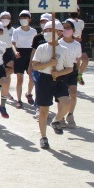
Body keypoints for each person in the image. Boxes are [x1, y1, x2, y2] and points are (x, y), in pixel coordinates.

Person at [32, 21, 72, 149]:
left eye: (52, 30)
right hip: (44, 79)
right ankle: (43, 137)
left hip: (59, 79)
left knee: (66, 103)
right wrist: (49, 63)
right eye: (46, 30)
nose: (49, 33)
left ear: (60, 33)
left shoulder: (64, 49)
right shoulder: (41, 48)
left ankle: (56, 121)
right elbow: (35, 65)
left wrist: (59, 73)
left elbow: (70, 68)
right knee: (44, 110)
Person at [27, 13, 52, 119]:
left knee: (48, 89)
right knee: (39, 86)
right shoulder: (37, 37)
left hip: (50, 67)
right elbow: (33, 51)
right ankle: (38, 107)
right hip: (38, 66)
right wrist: (30, 65)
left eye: (46, 21)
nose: (43, 23)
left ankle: (45, 108)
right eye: (42, 21)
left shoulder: (56, 37)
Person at [11, 10, 37, 109]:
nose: (24, 19)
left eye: (26, 17)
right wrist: (15, 52)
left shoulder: (33, 31)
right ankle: (19, 100)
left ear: (30, 19)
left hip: (30, 54)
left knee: (32, 77)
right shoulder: (16, 31)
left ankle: (29, 93)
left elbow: (35, 45)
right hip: (19, 54)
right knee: (19, 79)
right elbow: (13, 43)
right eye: (22, 17)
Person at [59, 19, 82, 127]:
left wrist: (79, 73)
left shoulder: (77, 44)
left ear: (73, 30)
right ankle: (61, 117)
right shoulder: (58, 43)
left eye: (69, 28)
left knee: (73, 93)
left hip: (72, 70)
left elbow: (78, 59)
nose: (66, 30)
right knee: (62, 95)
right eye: (64, 27)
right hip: (62, 70)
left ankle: (70, 115)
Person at [70, 6, 89, 85]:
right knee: (73, 62)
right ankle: (71, 78)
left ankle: (79, 75)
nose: (75, 12)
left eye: (76, 10)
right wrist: (74, 38)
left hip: (79, 44)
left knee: (85, 60)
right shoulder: (67, 21)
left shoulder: (81, 22)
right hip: (70, 43)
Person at [0, 11, 15, 100]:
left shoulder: (13, 30)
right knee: (14, 67)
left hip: (10, 51)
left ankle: (5, 92)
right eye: (3, 17)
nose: (5, 19)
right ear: (0, 19)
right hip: (1, 51)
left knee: (8, 74)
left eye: (7, 18)